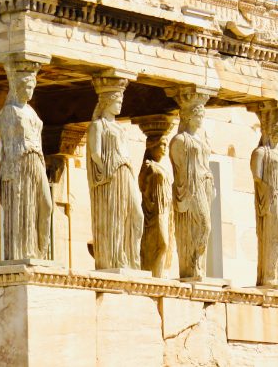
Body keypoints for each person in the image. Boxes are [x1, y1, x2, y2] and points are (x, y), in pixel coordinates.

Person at [87, 78, 143, 270]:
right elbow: (95, 153)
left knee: (137, 214)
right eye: (117, 101)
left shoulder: (119, 127)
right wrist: (106, 170)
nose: (120, 104)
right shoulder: (98, 126)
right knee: (116, 216)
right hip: (111, 174)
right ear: (107, 102)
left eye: (120, 100)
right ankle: (118, 258)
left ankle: (132, 258)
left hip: (126, 171)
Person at [0, 60, 52, 260]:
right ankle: (21, 253)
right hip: (19, 164)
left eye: (32, 87)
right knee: (23, 206)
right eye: (26, 87)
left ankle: (40, 252)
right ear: (17, 86)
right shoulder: (8, 112)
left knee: (46, 204)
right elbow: (7, 145)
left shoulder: (31, 112)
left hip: (36, 162)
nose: (30, 91)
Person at [169, 98, 213, 280]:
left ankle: (198, 266)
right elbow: (179, 169)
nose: (200, 118)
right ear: (187, 116)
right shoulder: (179, 140)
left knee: (204, 226)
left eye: (202, 114)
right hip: (191, 188)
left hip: (205, 186)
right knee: (205, 225)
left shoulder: (201, 140)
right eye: (197, 114)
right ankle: (191, 265)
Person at [251, 107, 278, 288]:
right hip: (270, 198)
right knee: (273, 232)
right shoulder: (260, 153)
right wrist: (267, 193)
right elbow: (257, 177)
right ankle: (268, 276)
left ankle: (277, 274)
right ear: (269, 130)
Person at [139, 135, 173, 278]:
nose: (165, 148)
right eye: (162, 144)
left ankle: (158, 274)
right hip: (155, 209)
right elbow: (142, 186)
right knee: (162, 242)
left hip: (166, 208)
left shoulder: (163, 167)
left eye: (166, 145)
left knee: (167, 244)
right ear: (152, 146)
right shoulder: (148, 166)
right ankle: (154, 276)